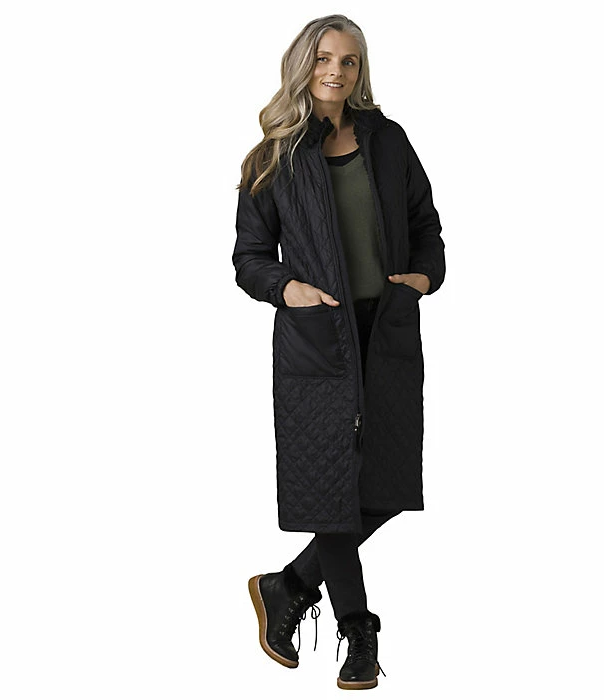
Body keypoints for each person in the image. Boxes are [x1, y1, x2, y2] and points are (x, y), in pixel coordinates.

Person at [232, 14, 446, 691]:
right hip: (317, 337)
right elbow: (249, 258)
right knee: (329, 491)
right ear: (305, 63)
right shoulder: (275, 156)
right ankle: (358, 633)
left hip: (385, 333)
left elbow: (426, 226)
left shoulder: (389, 141)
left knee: (386, 484)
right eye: (325, 57)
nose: (336, 70)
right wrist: (286, 288)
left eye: (349, 61)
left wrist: (423, 277)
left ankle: (289, 585)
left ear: (360, 70)